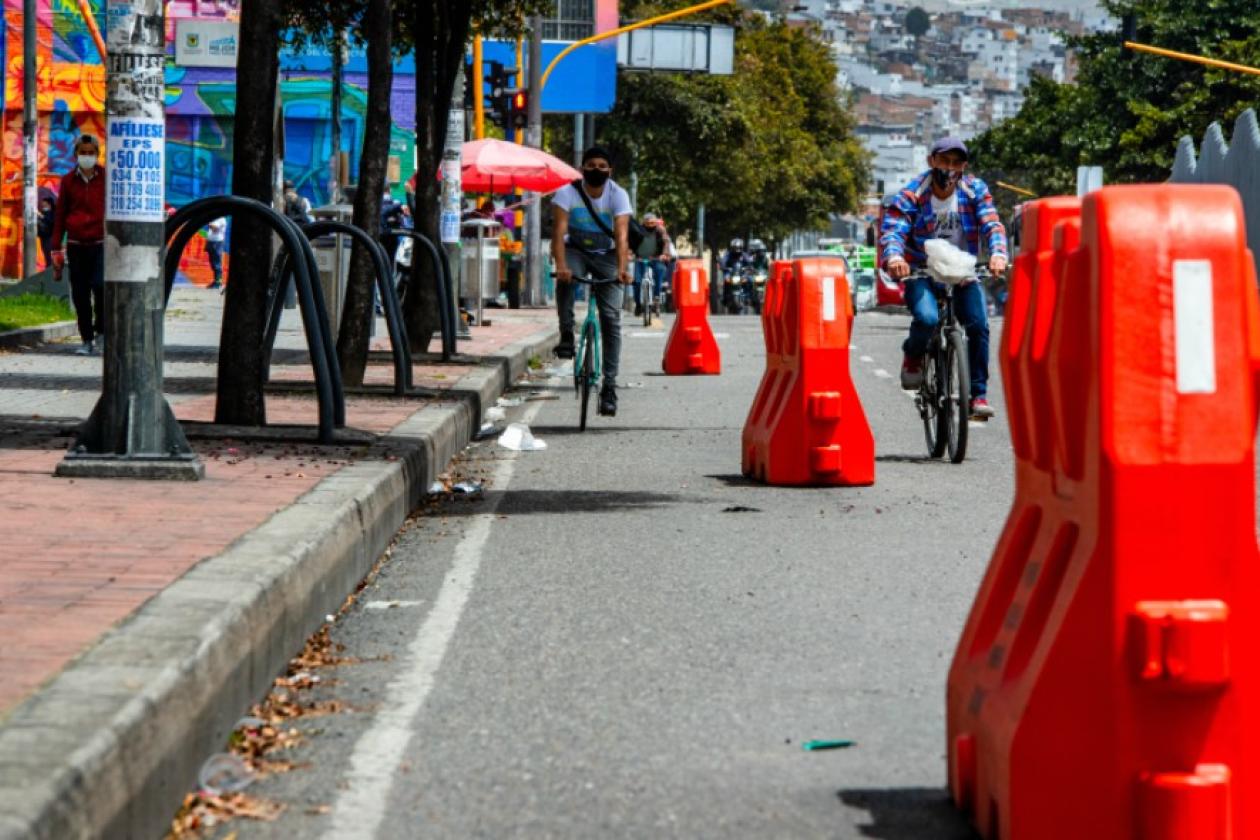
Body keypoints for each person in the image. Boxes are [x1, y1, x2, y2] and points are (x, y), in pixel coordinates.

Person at [881, 136, 1008, 419]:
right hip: (922, 271)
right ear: (931, 162)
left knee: (978, 325)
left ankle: (977, 395)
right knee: (927, 318)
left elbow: (992, 223)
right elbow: (894, 230)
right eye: (944, 161)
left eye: (956, 162)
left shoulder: (974, 190)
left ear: (963, 166)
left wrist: (999, 253)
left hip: (961, 271)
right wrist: (895, 258)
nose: (949, 168)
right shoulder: (912, 193)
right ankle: (913, 356)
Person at [550, 145, 633, 417]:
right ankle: (566, 334)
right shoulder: (567, 193)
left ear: (610, 171)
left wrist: (622, 269)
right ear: (582, 168)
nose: (596, 170)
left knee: (611, 319)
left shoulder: (618, 195)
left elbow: (621, 236)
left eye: (602, 166)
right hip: (576, 252)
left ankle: (609, 387)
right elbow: (559, 232)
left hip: (608, 255)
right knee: (566, 280)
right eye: (591, 165)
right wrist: (561, 266)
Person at [50, 134, 106, 356]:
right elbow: (61, 215)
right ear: (76, 155)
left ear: (97, 155)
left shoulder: (106, 178)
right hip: (75, 244)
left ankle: (101, 332)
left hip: (100, 243)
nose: (86, 156)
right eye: (82, 152)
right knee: (80, 294)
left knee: (100, 287)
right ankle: (86, 339)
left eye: (90, 152)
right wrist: (56, 248)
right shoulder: (67, 181)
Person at [633, 212, 673, 316]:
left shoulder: (660, 230)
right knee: (636, 281)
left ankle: (656, 299)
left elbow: (666, 242)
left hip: (656, 258)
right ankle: (637, 304)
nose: (651, 226)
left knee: (659, 272)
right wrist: (629, 254)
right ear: (644, 223)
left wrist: (664, 254)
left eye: (653, 223)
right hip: (641, 258)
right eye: (648, 223)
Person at [36, 189, 56, 269]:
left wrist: (41, 216)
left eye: (44, 203)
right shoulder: (44, 212)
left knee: (49, 255)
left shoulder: (52, 213)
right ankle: (48, 268)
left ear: (49, 204)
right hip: (43, 237)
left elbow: (51, 222)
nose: (42, 204)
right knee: (46, 255)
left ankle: (50, 270)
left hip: (49, 237)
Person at [205, 217, 227, 289]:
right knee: (212, 262)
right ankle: (216, 280)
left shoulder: (221, 219)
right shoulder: (214, 219)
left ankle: (218, 282)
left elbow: (215, 229)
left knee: (217, 262)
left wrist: (209, 222)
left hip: (217, 242)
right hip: (211, 242)